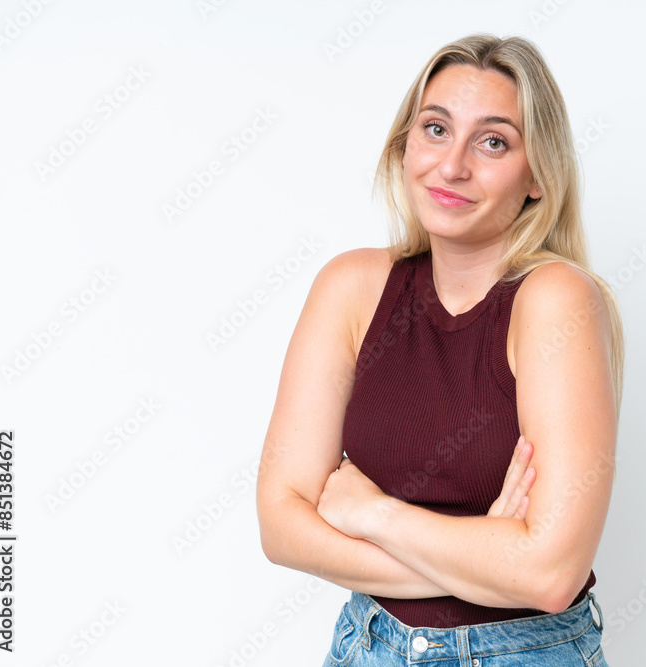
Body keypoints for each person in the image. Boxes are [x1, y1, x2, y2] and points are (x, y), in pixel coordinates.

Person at [256, 33, 624, 666]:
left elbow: (549, 574)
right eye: (434, 129)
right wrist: (487, 556)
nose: (452, 167)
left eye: (493, 141)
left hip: (519, 652)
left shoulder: (555, 300)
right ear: (404, 145)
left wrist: (371, 512)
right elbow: (282, 526)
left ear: (538, 174)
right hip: (369, 644)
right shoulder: (351, 287)